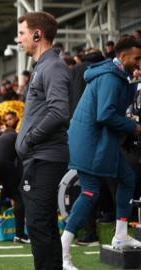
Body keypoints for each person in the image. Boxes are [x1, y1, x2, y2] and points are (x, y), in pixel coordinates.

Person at [60, 36, 141, 270]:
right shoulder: (110, 77)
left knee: (127, 179)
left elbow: (111, 107)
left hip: (95, 141)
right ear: (123, 56)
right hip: (92, 143)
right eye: (136, 58)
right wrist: (134, 127)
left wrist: (130, 81)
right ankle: (63, 251)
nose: (139, 62)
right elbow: (105, 114)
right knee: (89, 193)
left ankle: (121, 234)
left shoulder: (114, 75)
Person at [15, 12, 70, 270]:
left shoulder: (53, 66)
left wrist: (29, 140)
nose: (19, 40)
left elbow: (59, 112)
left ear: (37, 35)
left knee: (39, 225)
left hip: (44, 156)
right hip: (39, 156)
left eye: (22, 33)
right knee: (41, 224)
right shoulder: (42, 66)